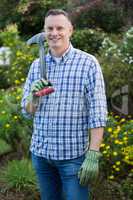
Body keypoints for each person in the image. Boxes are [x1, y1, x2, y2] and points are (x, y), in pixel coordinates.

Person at [21, 9, 107, 200]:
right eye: (49, 28)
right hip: (41, 154)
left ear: (70, 30)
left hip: (73, 156)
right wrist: (34, 98)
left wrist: (93, 154)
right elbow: (27, 112)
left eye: (60, 27)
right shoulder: (37, 65)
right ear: (44, 32)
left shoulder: (88, 64)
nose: (54, 32)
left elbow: (98, 111)